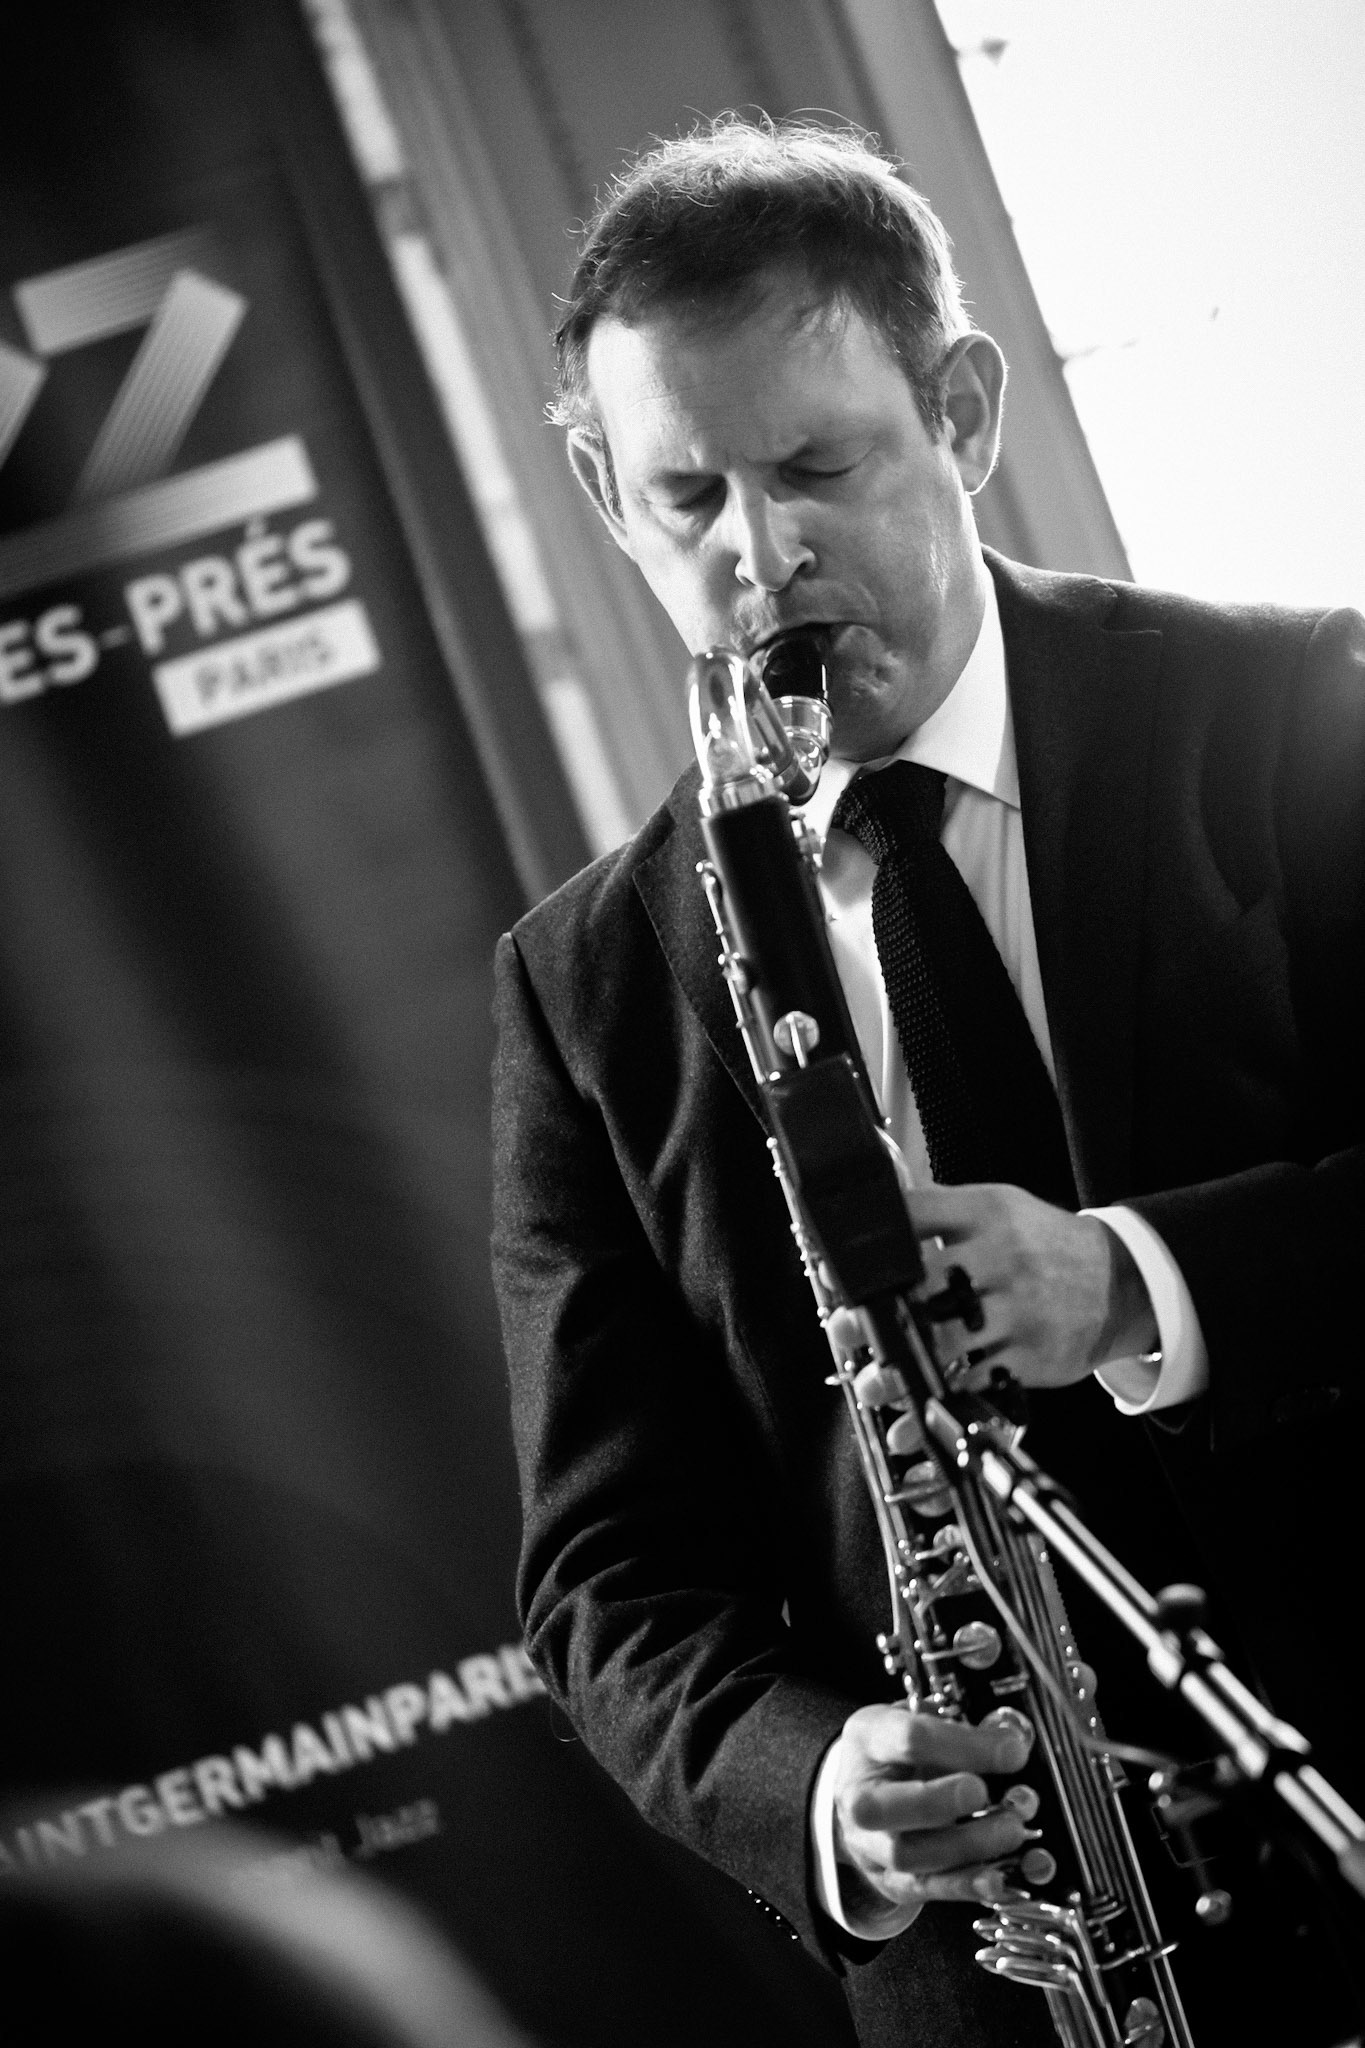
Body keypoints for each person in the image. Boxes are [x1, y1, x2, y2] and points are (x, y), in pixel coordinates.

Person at [490, 117, 1365, 2047]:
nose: (761, 553)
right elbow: (607, 1575)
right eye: (685, 497)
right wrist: (815, 1781)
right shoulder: (587, 986)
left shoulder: (1298, 701)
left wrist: (1130, 1279)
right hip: (1022, 1975)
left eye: (819, 465)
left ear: (961, 409)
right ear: (599, 494)